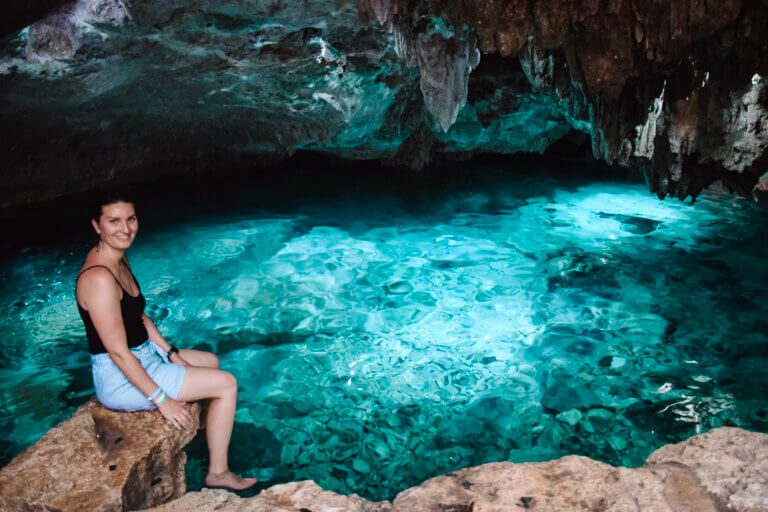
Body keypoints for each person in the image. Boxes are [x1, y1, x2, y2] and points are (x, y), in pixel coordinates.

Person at [75, 194, 257, 491]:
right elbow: (118, 353)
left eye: (130, 219)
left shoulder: (119, 260)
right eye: (114, 221)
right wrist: (163, 400)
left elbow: (139, 316)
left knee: (209, 361)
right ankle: (219, 472)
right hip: (120, 376)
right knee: (226, 384)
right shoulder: (98, 278)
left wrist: (170, 352)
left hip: (145, 354)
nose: (125, 229)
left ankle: (203, 431)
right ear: (97, 226)